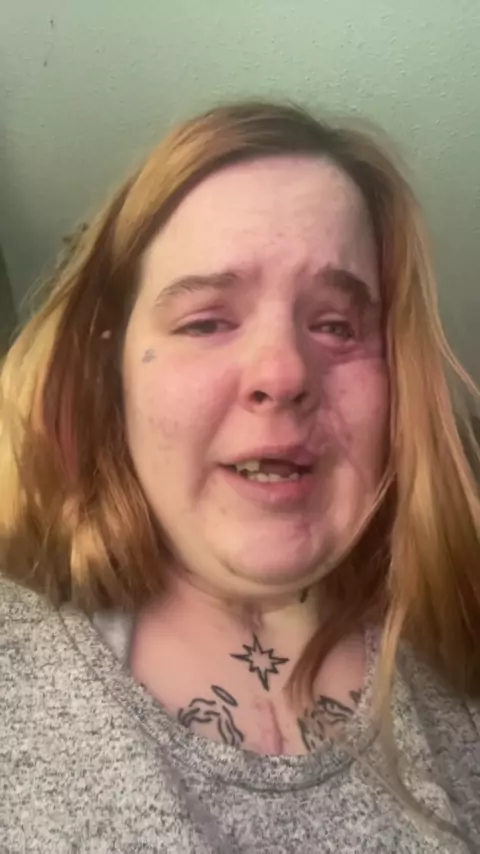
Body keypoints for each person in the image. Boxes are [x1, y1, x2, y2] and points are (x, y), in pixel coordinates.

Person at [1, 101, 479, 853]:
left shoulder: (458, 645)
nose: (283, 374)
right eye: (207, 321)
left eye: (336, 325)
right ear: (109, 371)